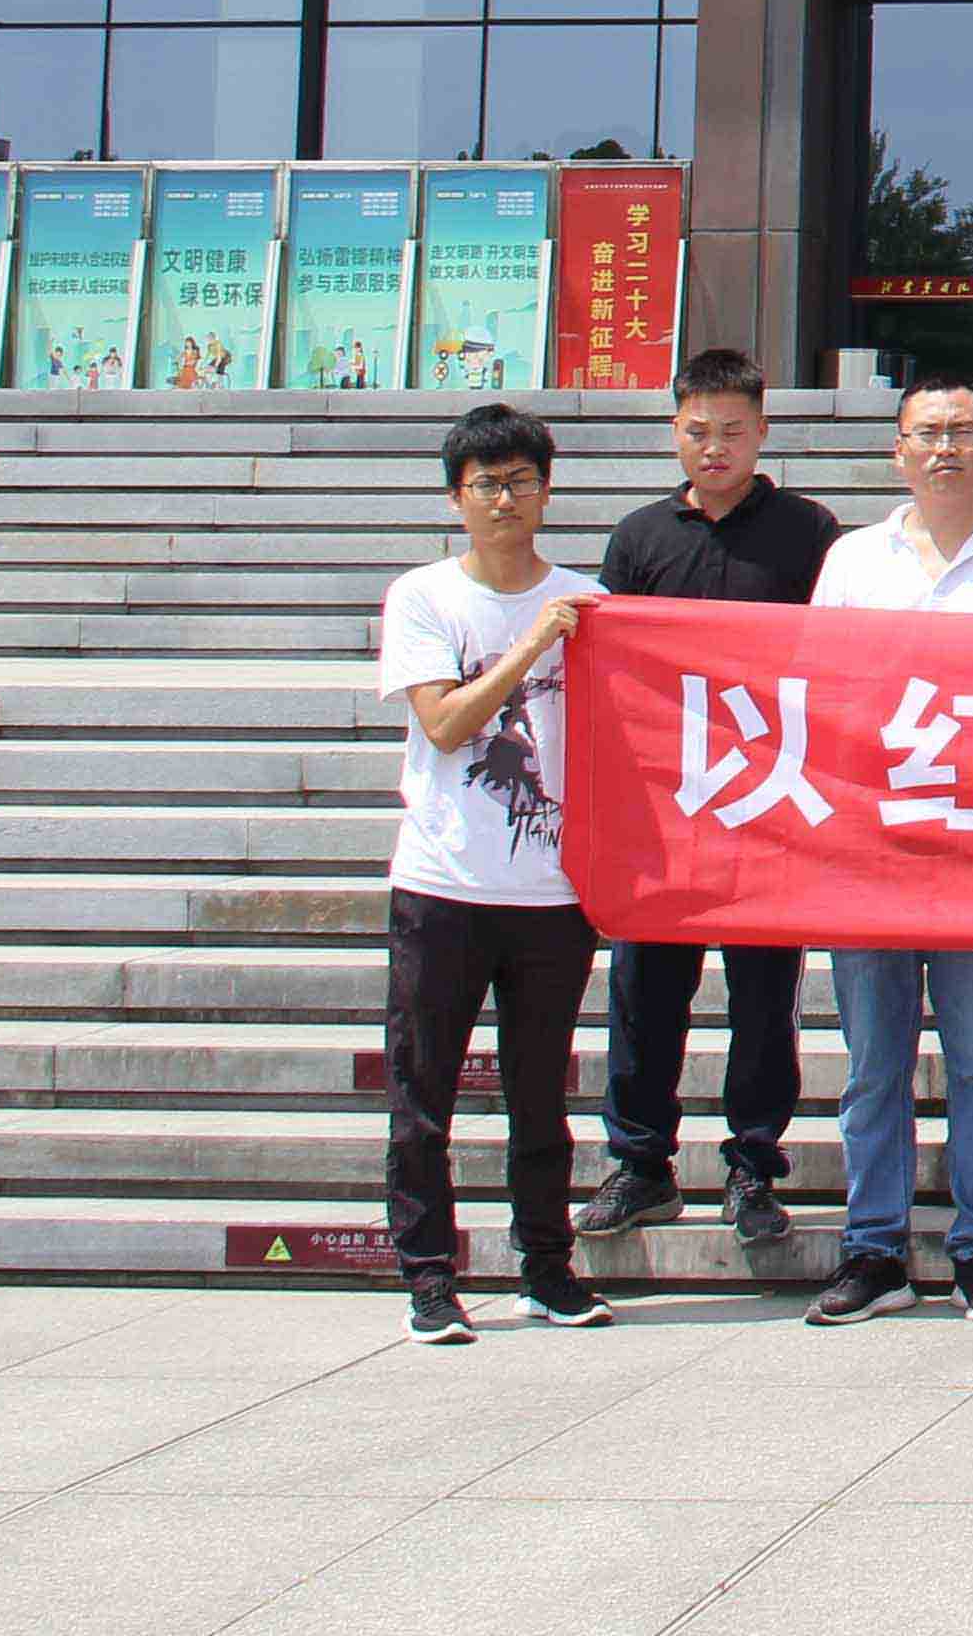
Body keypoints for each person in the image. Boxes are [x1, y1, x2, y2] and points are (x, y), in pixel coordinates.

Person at [802, 370, 973, 1326]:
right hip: (871, 849)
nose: (946, 447)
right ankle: (873, 1248)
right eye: (928, 432)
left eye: (963, 430)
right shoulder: (853, 560)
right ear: (899, 451)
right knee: (874, 1062)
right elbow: (817, 691)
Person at [581, 346, 837, 1256]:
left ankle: (753, 1164)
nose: (716, 447)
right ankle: (640, 1163)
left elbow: (835, 661)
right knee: (644, 990)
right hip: (663, 807)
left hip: (770, 798)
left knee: (764, 996)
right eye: (699, 431)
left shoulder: (810, 532)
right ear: (674, 432)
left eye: (733, 430)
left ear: (763, 432)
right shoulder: (639, 537)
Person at [374, 401, 609, 1344]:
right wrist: (535, 643)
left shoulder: (590, 601)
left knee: (541, 1097)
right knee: (422, 1094)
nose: (504, 500)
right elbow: (444, 724)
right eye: (485, 485)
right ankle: (430, 1278)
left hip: (553, 892)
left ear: (547, 491)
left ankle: (547, 1269)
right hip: (444, 885)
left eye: (520, 482)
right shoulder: (424, 597)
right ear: (455, 498)